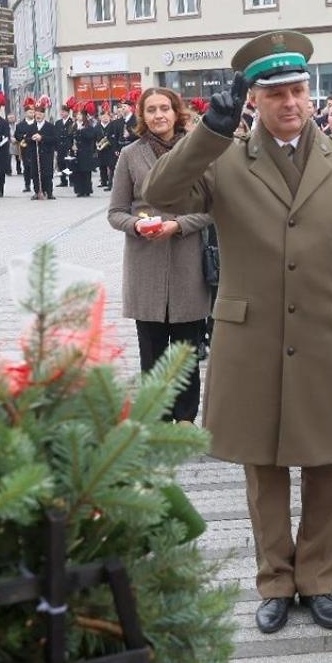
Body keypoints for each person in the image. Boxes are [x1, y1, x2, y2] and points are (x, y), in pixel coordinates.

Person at [142, 30, 332, 636]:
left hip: (330, 338)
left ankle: (319, 581)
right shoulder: (222, 159)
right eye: (275, 93)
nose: (290, 103)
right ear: (254, 99)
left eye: (298, 90)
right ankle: (275, 580)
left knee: (328, 471)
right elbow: (160, 193)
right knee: (264, 471)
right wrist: (209, 130)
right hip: (252, 343)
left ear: (311, 93)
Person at [107, 86, 212, 425]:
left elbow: (214, 208)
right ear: (142, 116)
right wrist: (137, 226)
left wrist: (179, 225)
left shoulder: (194, 151)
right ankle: (156, 417)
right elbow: (116, 211)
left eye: (164, 108)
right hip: (145, 265)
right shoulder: (130, 155)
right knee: (152, 353)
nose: (158, 116)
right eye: (150, 110)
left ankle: (184, 418)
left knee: (186, 351)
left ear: (175, 111)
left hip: (187, 262)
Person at [72, 103, 101, 197]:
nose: (78, 116)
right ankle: (79, 190)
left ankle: (87, 189)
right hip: (76, 152)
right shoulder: (73, 125)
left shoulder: (88, 126)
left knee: (86, 172)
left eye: (80, 115)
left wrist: (81, 131)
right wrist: (71, 146)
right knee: (77, 172)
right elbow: (69, 137)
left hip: (86, 152)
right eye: (77, 115)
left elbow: (91, 136)